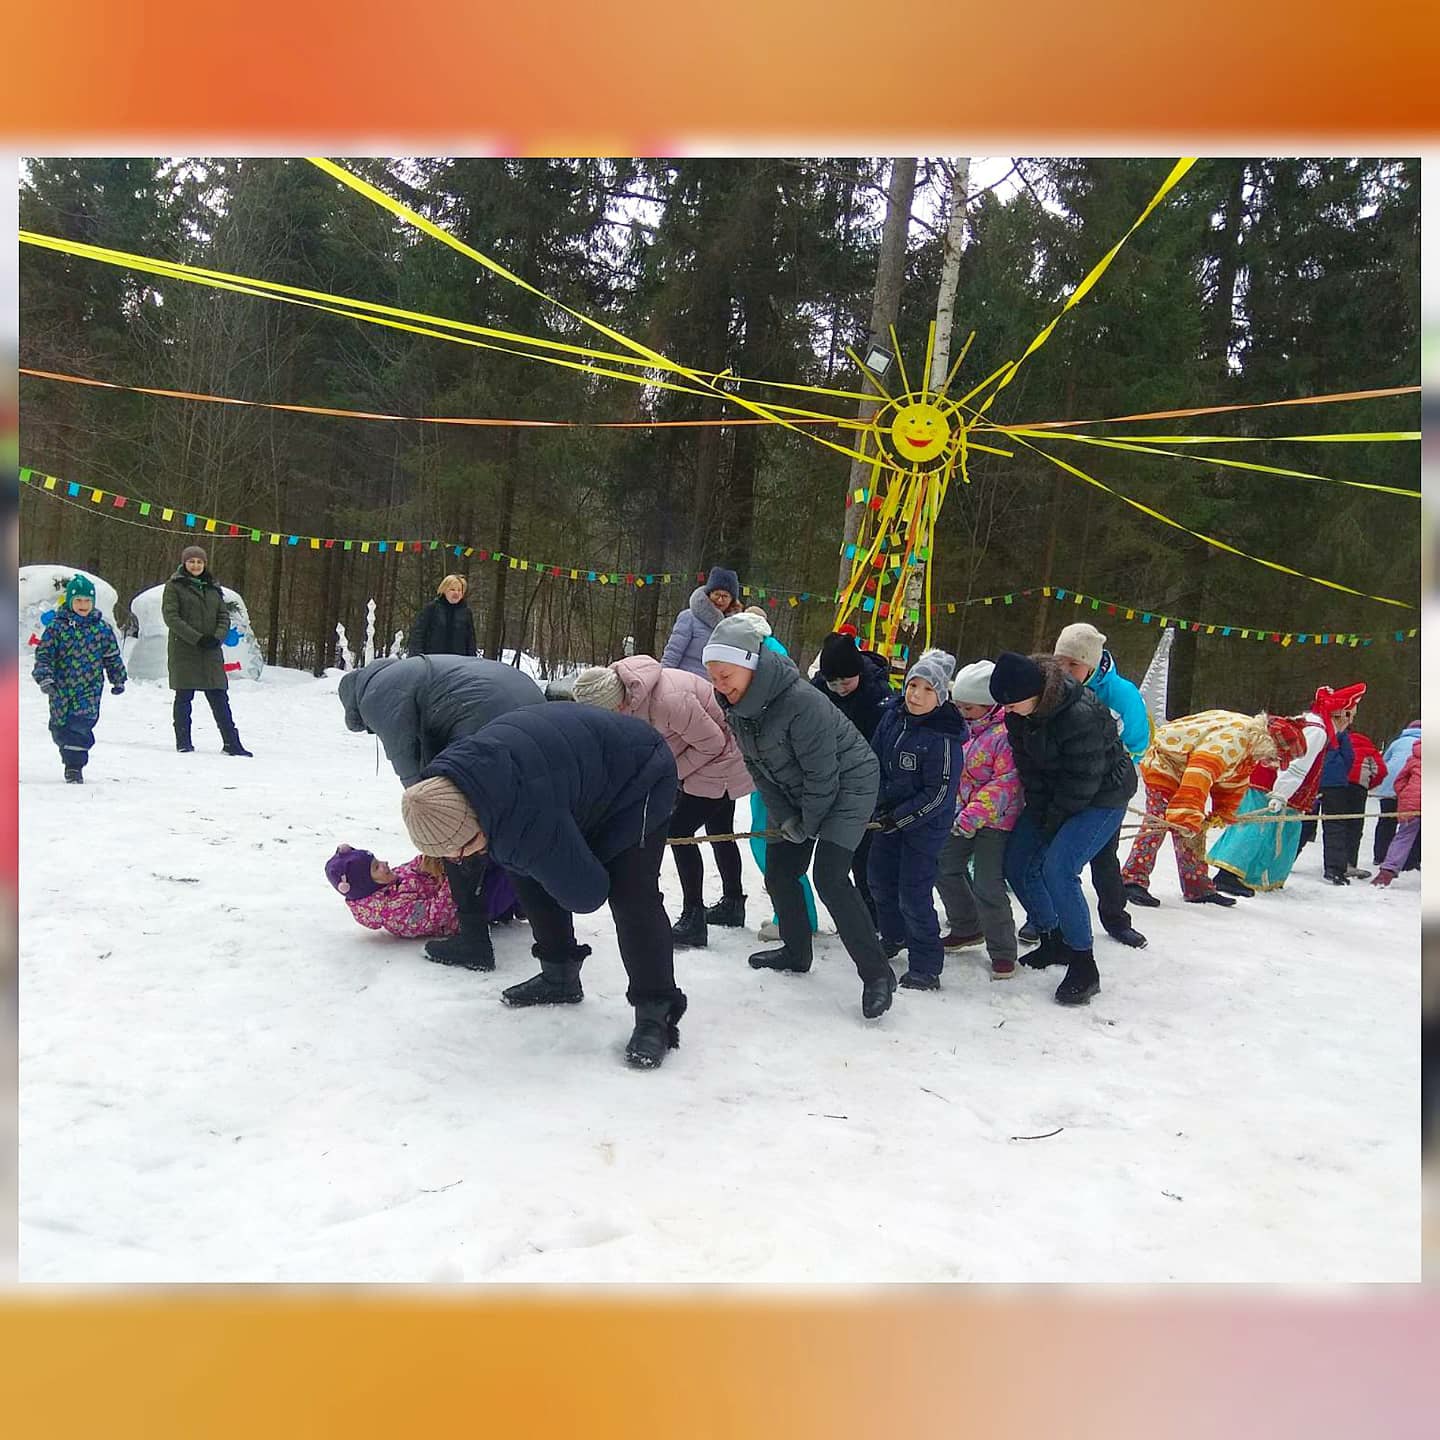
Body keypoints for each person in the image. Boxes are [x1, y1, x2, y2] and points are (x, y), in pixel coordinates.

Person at [399, 704, 687, 1069]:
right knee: (523, 864)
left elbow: (586, 895)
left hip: (640, 773)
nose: (461, 859)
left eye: (464, 848)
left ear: (473, 820)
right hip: (578, 774)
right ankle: (559, 976)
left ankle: (655, 1014)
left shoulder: (522, 812)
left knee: (632, 894)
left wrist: (578, 855)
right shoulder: (454, 790)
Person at [704, 614, 896, 1019]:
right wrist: (785, 818)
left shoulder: (800, 701)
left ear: (750, 663)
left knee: (829, 875)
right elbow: (757, 769)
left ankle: (878, 974)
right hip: (800, 790)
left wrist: (804, 825)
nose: (720, 686)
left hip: (849, 784)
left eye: (726, 676)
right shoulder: (738, 708)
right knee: (779, 869)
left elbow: (823, 777)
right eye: (714, 678)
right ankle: (795, 950)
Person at [338, 654, 546, 968]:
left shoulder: (376, 694)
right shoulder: (411, 673)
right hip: (532, 707)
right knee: (513, 815)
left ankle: (474, 942)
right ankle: (530, 902)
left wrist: (434, 836)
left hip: (488, 715)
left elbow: (418, 786)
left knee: (454, 828)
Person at [571, 652, 753, 948]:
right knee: (720, 830)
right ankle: (733, 903)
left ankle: (694, 917)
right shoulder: (633, 692)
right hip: (710, 755)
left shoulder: (667, 700)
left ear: (617, 704)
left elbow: (713, 744)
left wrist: (668, 772)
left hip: (724, 758)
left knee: (679, 833)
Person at [991, 652, 1137, 1007]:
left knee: (1059, 868)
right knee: (1018, 862)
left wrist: (1053, 822)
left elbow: (1083, 779)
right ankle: (1052, 937)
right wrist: (1042, 813)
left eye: (1011, 704)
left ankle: (1084, 965)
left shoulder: (1078, 714)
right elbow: (1029, 768)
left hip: (1103, 796)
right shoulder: (1019, 715)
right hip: (1055, 796)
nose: (1006, 711)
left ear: (1035, 692)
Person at [1120, 710, 1306, 908]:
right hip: (1166, 762)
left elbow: (1234, 778)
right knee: (1158, 822)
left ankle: (1197, 886)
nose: (1272, 763)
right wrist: (1187, 816)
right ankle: (1132, 880)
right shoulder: (1232, 742)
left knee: (1193, 827)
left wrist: (1223, 810)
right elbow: (1200, 773)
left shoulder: (1250, 742)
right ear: (1269, 744)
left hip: (1189, 767)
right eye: (1275, 758)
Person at [866, 649, 965, 990]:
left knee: (913, 893)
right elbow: (875, 760)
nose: (916, 695)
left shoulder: (945, 737)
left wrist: (901, 818)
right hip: (887, 818)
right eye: (912, 686)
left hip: (925, 828)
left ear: (940, 696)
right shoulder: (893, 717)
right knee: (879, 880)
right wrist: (876, 804)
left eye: (927, 689)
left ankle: (926, 963)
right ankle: (893, 936)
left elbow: (939, 794)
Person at [1207, 683, 1363, 894]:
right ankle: (1228, 876)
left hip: (1276, 785)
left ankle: (1251, 876)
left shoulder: (1315, 725)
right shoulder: (1318, 731)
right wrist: (1281, 793)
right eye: (1350, 715)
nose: (1351, 721)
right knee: (1255, 829)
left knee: (1275, 832)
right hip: (1272, 786)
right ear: (1341, 714)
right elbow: (1296, 764)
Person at [1051, 623, 1149, 948]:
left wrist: (1109, 776)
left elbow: (1138, 743)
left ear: (1091, 665)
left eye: (1073, 665)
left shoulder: (1122, 695)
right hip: (1064, 785)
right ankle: (1048, 917)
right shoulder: (1052, 688)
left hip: (1107, 791)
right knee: (1052, 853)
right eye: (1059, 662)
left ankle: (1116, 918)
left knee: (1104, 855)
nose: (1064, 671)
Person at [732, 607, 819, 943]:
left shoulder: (765, 663)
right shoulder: (765, 659)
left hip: (780, 773)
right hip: (768, 771)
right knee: (767, 844)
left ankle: (792, 918)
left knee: (774, 848)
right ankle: (794, 914)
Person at [937, 660, 1022, 978]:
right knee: (943, 866)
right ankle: (966, 926)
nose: (961, 713)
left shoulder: (1005, 736)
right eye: (957, 706)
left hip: (996, 821)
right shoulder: (961, 731)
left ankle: (1002, 950)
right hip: (960, 816)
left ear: (989, 707)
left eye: (968, 708)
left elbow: (1005, 783)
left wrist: (974, 814)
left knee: (988, 884)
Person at [811, 626, 892, 926]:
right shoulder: (818, 689)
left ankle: (874, 919)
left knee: (864, 856)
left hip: (868, 780)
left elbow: (882, 746)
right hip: (829, 777)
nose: (840, 688)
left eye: (846, 681)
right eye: (834, 683)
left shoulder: (878, 695)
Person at [32, 573, 126, 783]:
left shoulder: (101, 629)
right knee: (60, 728)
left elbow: (111, 656)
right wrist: (45, 678)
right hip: (60, 688)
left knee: (81, 725)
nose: (83, 605)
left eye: (87, 601)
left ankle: (74, 767)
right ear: (70, 601)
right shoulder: (57, 627)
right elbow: (44, 655)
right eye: (78, 600)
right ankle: (68, 753)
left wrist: (118, 678)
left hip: (89, 689)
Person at [163, 545, 251, 757]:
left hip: (211, 651)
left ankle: (232, 742)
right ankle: (183, 741)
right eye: (192, 561)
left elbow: (223, 616)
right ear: (185, 563)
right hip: (184, 650)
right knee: (184, 696)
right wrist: (197, 638)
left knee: (219, 696)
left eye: (199, 562)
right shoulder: (174, 586)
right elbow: (171, 617)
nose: (195, 565)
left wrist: (216, 638)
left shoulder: (213, 588)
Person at [1301, 688, 1369, 885]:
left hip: (1313, 781)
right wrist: (1340, 773)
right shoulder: (1338, 733)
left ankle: (1285, 859)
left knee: (1305, 822)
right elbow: (1349, 756)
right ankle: (1334, 869)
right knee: (1335, 825)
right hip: (1335, 784)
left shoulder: (1313, 728)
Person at [326, 845, 461, 940]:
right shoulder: (395, 913)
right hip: (459, 915)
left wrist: (433, 856)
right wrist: (454, 877)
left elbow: (416, 867)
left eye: (378, 861)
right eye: (377, 867)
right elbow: (437, 913)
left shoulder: (390, 879)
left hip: (449, 887)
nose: (385, 863)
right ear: (366, 885)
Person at [660, 566, 740, 678]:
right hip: (683, 683)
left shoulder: (735, 627)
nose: (720, 600)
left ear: (732, 600)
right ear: (709, 594)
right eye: (717, 594)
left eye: (725, 596)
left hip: (715, 689)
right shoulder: (689, 617)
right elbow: (673, 653)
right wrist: (663, 678)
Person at [1373, 720, 1421, 871]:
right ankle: (1410, 861)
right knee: (1411, 826)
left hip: (1390, 784)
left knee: (1386, 819)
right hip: (1413, 788)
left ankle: (1380, 855)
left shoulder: (1397, 742)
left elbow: (1384, 760)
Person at [1340, 727, 1387, 879]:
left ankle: (1334, 861)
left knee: (1336, 824)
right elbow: (1381, 771)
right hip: (1358, 788)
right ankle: (1349, 862)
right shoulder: (1369, 749)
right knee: (1355, 825)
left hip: (1338, 786)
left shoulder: (1339, 744)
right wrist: (1368, 784)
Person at [408, 574, 478, 658]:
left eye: (459, 590)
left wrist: (471, 660)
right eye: (452, 589)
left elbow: (470, 641)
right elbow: (418, 635)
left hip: (458, 663)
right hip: (433, 662)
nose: (456, 593)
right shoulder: (431, 609)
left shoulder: (466, 612)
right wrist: (417, 658)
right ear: (444, 590)